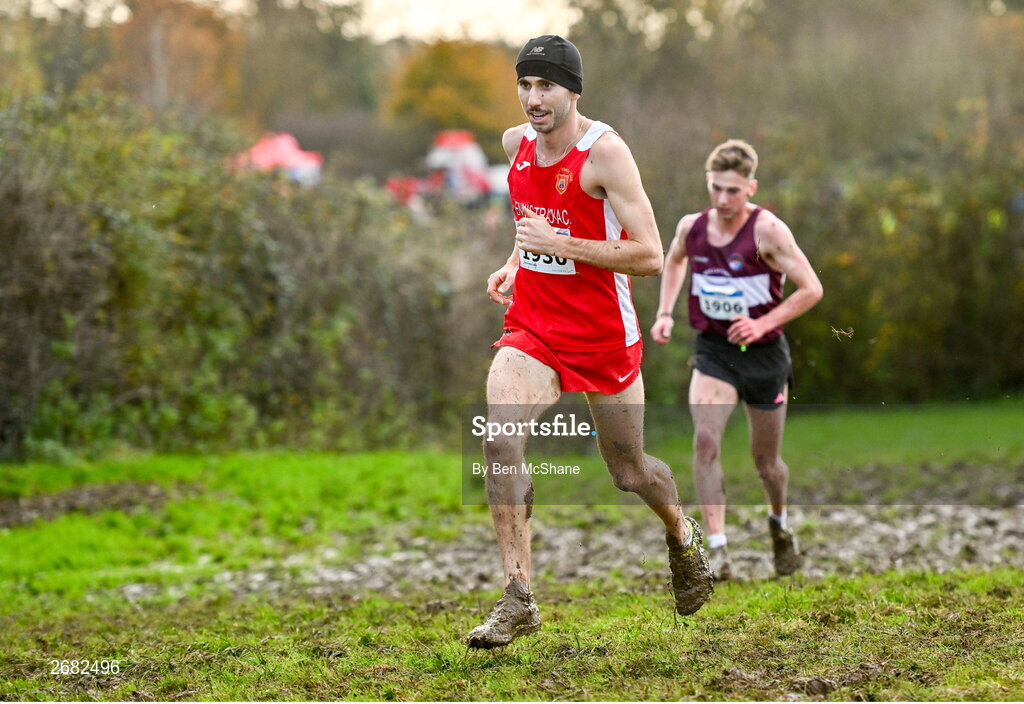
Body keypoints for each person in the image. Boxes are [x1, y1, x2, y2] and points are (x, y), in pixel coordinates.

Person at [466, 35, 712, 649]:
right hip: (534, 329)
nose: (532, 99)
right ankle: (518, 594)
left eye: (545, 86)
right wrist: (515, 262)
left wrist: (562, 248)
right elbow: (534, 227)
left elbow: (650, 255)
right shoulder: (514, 146)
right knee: (499, 437)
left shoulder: (605, 156)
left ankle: (681, 534)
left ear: (573, 91)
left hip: (604, 337)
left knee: (628, 472)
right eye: (524, 85)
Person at [649, 139, 823, 580]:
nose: (723, 200)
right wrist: (666, 312)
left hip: (764, 355)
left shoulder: (769, 232)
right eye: (716, 188)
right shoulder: (692, 228)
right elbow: (673, 263)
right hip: (714, 351)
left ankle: (780, 525)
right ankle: (719, 551)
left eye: (733, 190)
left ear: (751, 187)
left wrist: (763, 325)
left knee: (767, 463)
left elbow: (812, 288)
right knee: (706, 442)